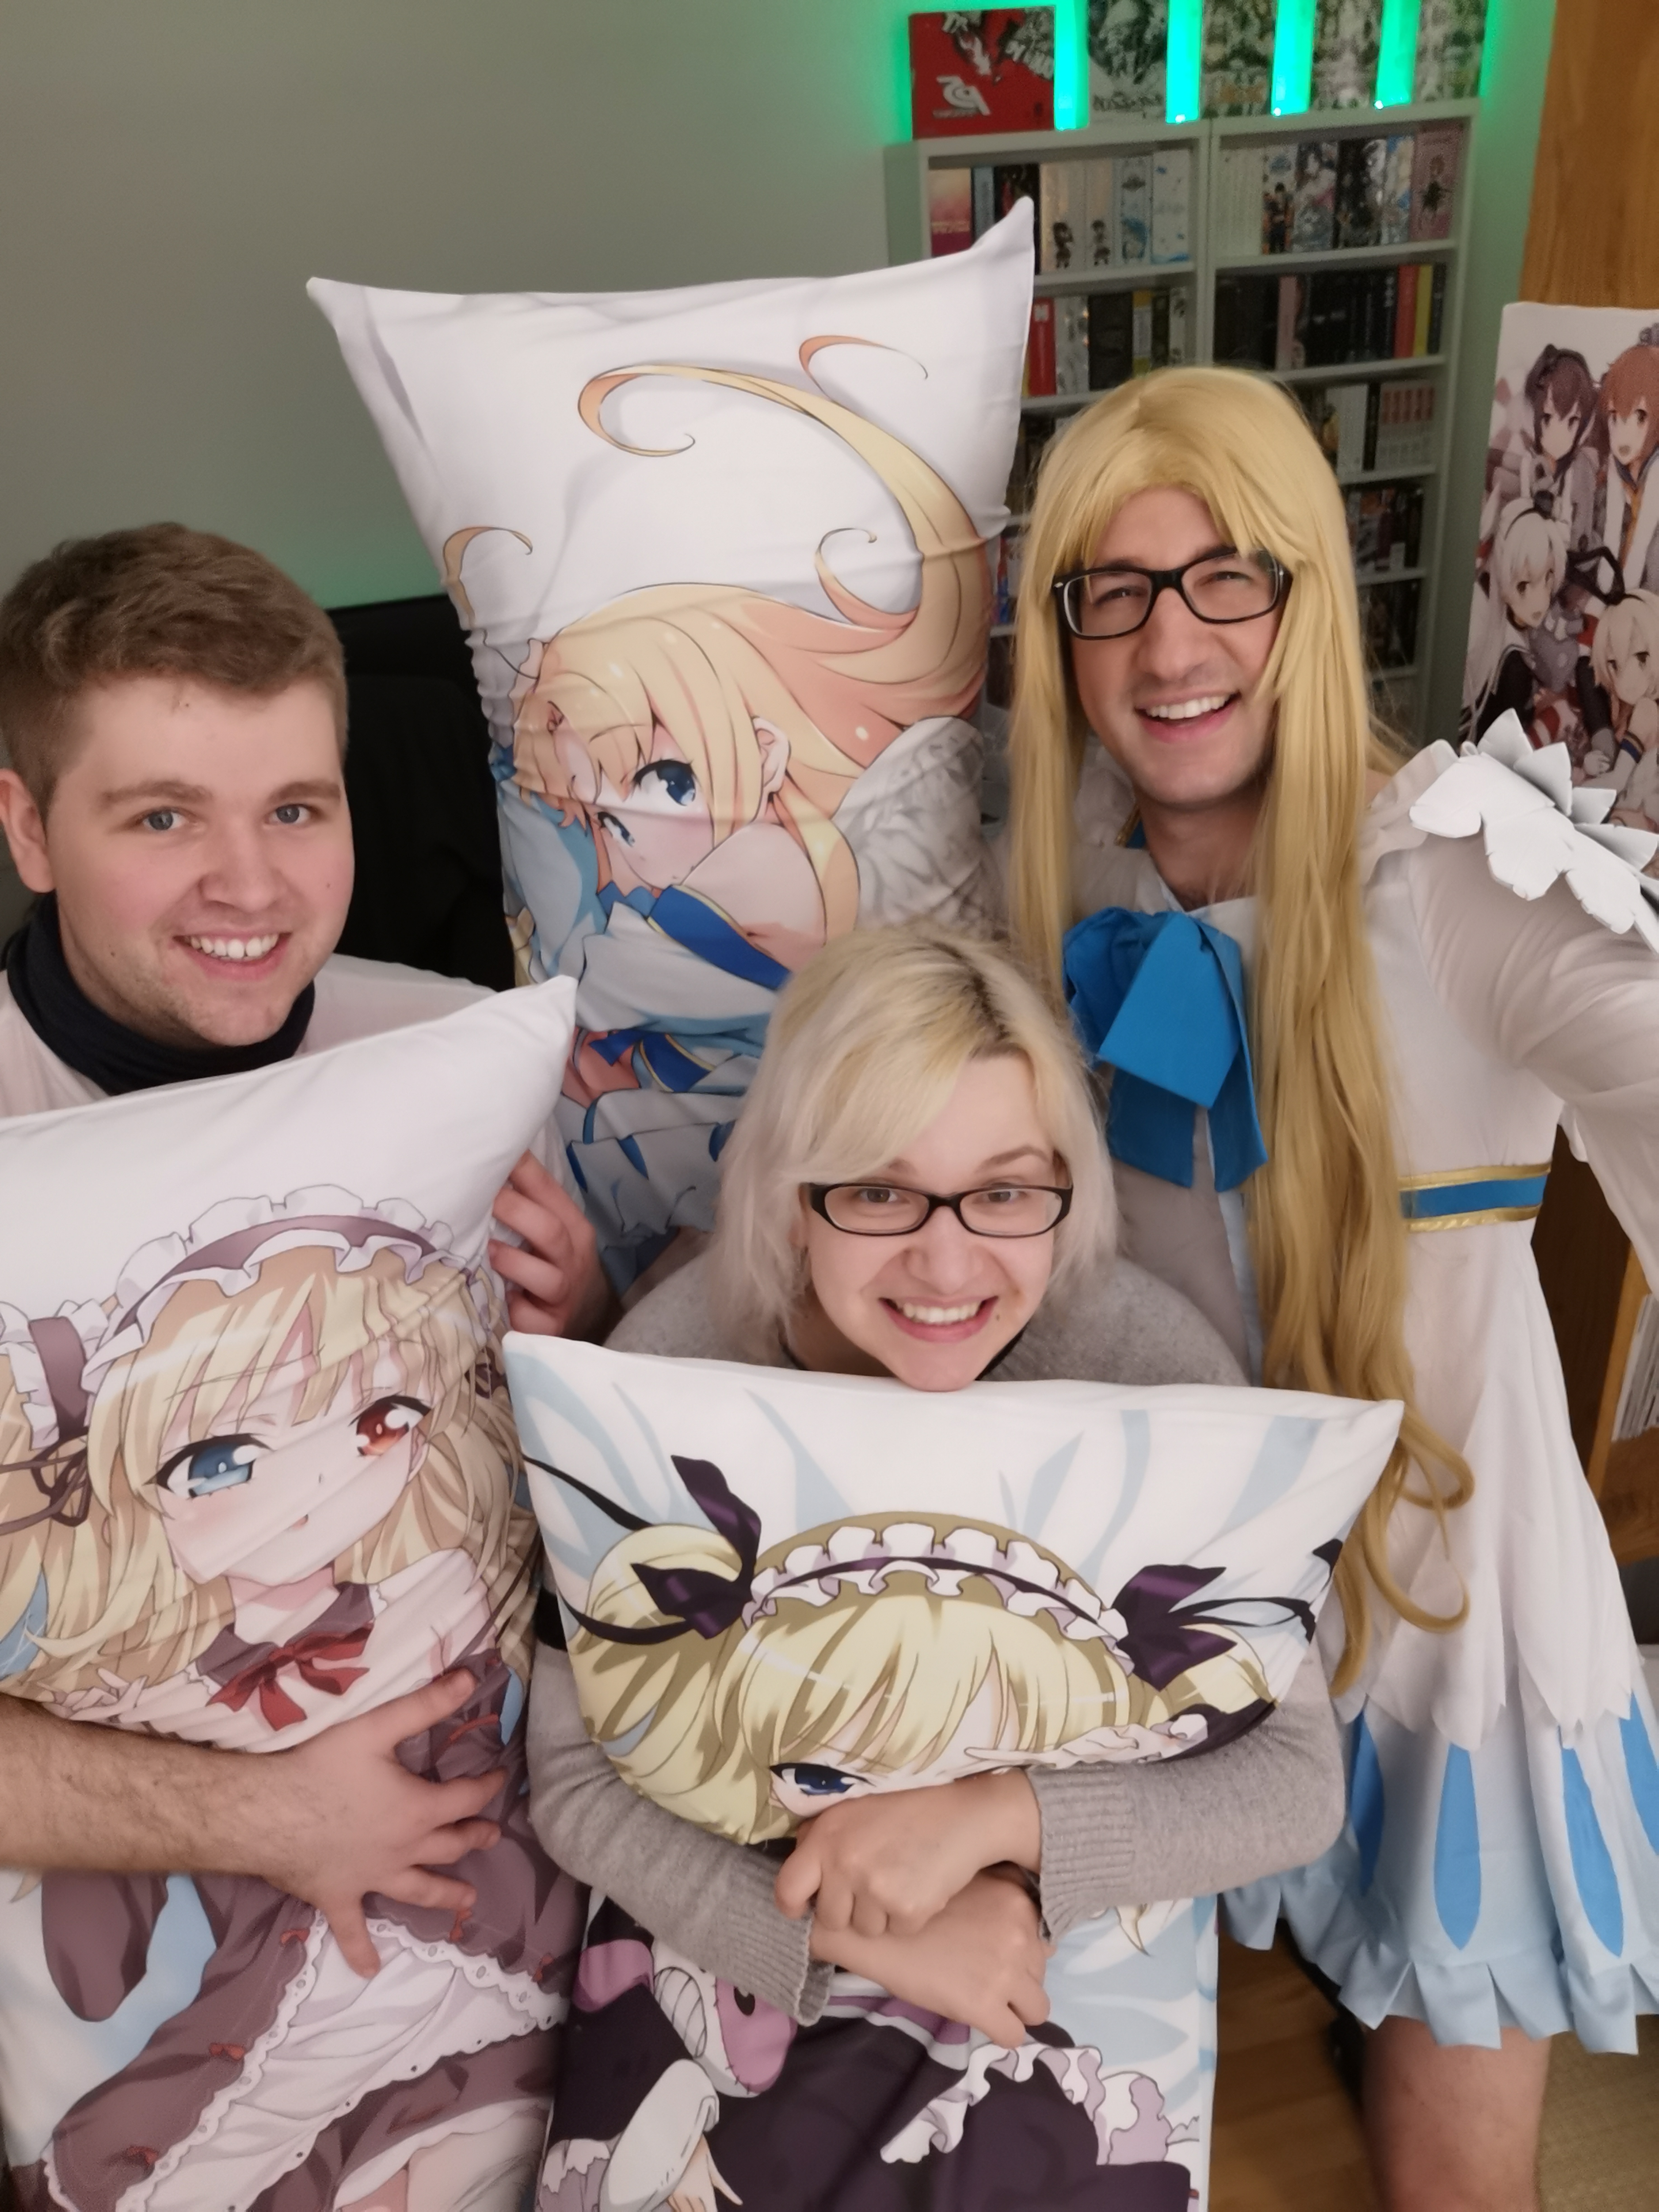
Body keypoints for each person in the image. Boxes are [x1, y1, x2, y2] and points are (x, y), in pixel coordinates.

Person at [1005, 365, 1659, 2212]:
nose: (1172, 642)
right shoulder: (1050, 888)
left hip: (1450, 1623)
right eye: (1116, 591)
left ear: (1307, 595)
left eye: (1229, 575)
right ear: (1064, 638)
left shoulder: (1457, 869)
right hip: (1194, 1620)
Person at [524, 920, 1349, 2210]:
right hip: (736, 1937)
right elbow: (574, 1778)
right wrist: (846, 1934)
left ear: (1066, 1185)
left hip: (1053, 1937)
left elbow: (1295, 1781)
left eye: (1007, 1192)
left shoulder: (1148, 1370)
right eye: (879, 1192)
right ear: (792, 1195)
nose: (949, 1262)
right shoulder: (670, 1369)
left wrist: (998, 1822)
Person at [0, 525, 606, 2192]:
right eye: (162, 818)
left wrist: (587, 1326)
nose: (250, 887)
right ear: (27, 828)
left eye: (294, 809)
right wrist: (260, 1820)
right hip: (149, 1983)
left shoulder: (452, 1049)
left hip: (525, 1918)